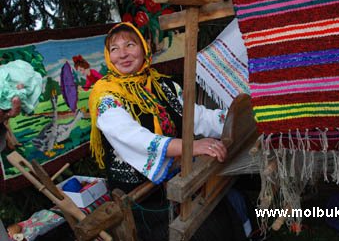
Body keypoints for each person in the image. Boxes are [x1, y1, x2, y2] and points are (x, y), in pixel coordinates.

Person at [89, 22, 246, 240]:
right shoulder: (105, 96)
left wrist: (236, 119)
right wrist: (191, 147)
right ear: (108, 56)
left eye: (130, 45)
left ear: (144, 48)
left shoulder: (163, 85)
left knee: (219, 213)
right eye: (114, 49)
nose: (122, 54)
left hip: (176, 178)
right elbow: (133, 137)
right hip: (142, 196)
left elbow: (195, 115)